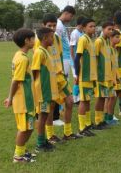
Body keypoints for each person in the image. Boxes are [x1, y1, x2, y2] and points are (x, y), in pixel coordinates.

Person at [34, 14, 80, 143]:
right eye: (49, 26)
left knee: (70, 101)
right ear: (44, 26)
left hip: (59, 76)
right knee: (51, 106)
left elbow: (59, 57)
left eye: (54, 25)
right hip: (48, 78)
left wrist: (63, 73)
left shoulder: (57, 39)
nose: (53, 28)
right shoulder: (39, 42)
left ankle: (68, 132)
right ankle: (50, 135)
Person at [4, 28, 36, 163]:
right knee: (25, 129)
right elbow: (16, 80)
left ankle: (22, 151)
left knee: (28, 127)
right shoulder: (22, 59)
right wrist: (10, 98)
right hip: (24, 100)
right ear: (27, 41)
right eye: (33, 38)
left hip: (24, 99)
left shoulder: (19, 55)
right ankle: (18, 156)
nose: (35, 41)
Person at [32, 27, 57, 152]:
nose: (53, 39)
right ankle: (40, 144)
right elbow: (34, 72)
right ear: (45, 38)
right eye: (51, 37)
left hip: (48, 90)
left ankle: (43, 140)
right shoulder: (39, 52)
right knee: (42, 116)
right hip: (42, 91)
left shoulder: (47, 51)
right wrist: (38, 88)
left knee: (46, 114)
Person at [74, 18, 97, 137]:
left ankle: (88, 123)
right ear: (83, 28)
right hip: (84, 76)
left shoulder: (90, 39)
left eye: (94, 26)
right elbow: (77, 58)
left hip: (91, 76)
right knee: (83, 101)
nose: (93, 28)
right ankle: (82, 127)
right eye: (90, 26)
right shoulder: (83, 39)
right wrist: (77, 74)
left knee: (87, 100)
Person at [94, 21, 115, 129]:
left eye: (112, 29)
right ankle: (98, 121)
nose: (111, 31)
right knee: (100, 97)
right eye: (109, 29)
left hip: (107, 75)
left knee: (104, 97)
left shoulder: (107, 42)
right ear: (103, 29)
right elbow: (95, 58)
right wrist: (96, 73)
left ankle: (101, 119)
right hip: (100, 75)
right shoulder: (99, 41)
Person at [56, 5, 75, 77]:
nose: (71, 18)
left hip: (66, 57)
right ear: (66, 13)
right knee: (63, 81)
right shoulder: (58, 25)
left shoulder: (62, 25)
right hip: (63, 58)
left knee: (65, 80)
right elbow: (56, 42)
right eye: (71, 16)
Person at [70, 16, 85, 104]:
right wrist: (74, 60)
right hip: (76, 61)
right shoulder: (74, 33)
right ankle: (75, 98)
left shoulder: (82, 33)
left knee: (80, 79)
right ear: (81, 24)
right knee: (77, 79)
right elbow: (72, 47)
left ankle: (79, 97)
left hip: (81, 61)